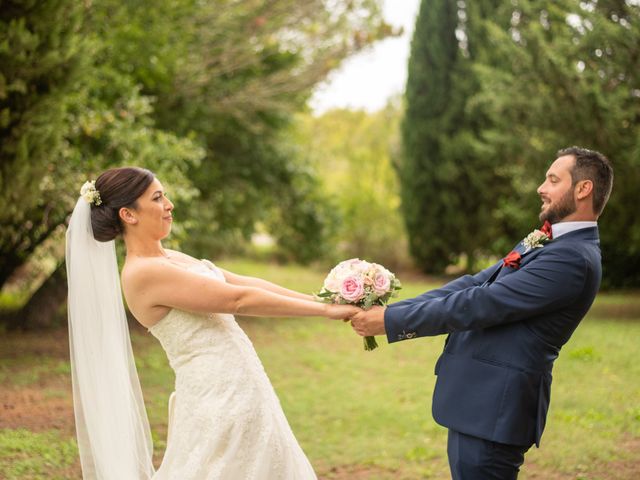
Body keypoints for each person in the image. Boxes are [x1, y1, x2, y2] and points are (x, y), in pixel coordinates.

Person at [66, 166, 358, 480]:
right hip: (220, 399)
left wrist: (321, 300)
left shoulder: (169, 257)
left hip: (242, 385)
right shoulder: (143, 273)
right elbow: (237, 300)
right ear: (129, 214)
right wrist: (325, 314)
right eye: (157, 198)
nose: (169, 205)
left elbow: (243, 281)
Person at [348, 147, 614, 479]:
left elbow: (481, 304)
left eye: (552, 179)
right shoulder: (549, 242)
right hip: (479, 404)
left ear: (583, 189)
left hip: (495, 410)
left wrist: (389, 323)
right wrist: (389, 312)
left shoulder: (574, 258)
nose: (541, 188)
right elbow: (475, 284)